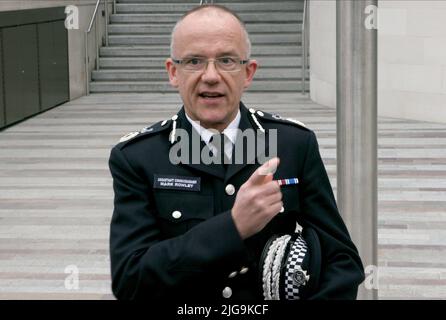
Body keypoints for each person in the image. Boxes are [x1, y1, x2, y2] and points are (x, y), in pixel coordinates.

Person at [108, 4, 364, 301]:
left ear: (248, 72)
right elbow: (131, 280)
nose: (211, 76)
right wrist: (233, 227)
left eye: (227, 60)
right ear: (173, 72)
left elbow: (343, 264)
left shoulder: (292, 144)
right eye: (194, 61)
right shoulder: (138, 157)